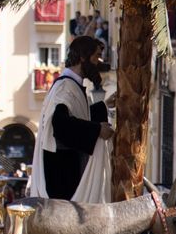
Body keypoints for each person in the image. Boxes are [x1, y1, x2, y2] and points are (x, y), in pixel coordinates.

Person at [29, 36, 113, 203]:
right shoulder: (65, 88)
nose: (98, 61)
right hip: (62, 175)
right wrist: (97, 130)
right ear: (83, 57)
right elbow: (61, 125)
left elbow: (78, 116)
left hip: (65, 171)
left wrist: (104, 106)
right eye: (96, 56)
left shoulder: (70, 85)